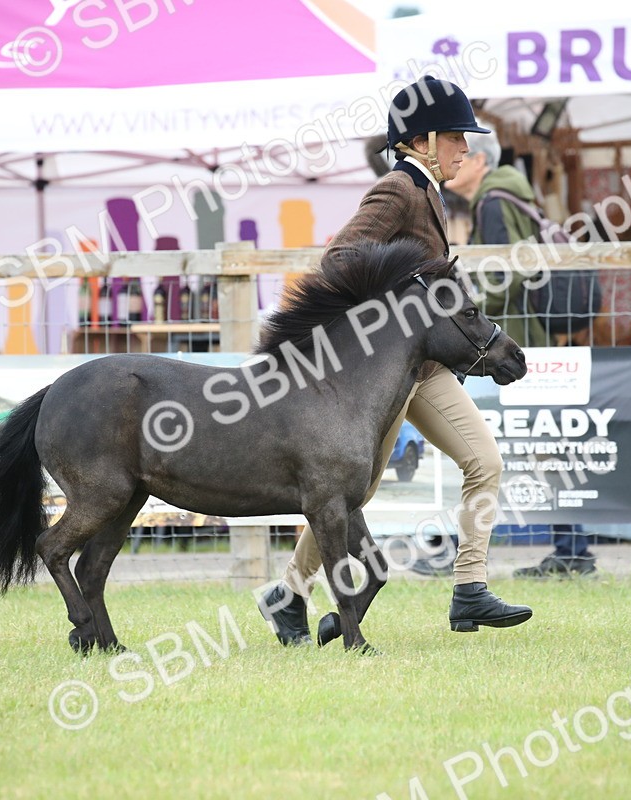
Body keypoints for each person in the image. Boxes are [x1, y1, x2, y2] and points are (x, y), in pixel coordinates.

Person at [257, 76, 533, 645]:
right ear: (423, 139)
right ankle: (290, 594)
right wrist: (405, 295)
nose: (466, 149)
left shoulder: (429, 192)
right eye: (457, 138)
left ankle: (469, 588)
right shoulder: (398, 189)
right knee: (348, 492)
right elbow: (340, 260)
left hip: (425, 373)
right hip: (380, 376)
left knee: (484, 462)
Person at [447, 128, 597, 578]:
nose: (454, 159)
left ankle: (572, 550)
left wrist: (468, 320)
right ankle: (573, 549)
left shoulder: (494, 203)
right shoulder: (505, 196)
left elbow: (508, 273)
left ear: (481, 163)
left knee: (503, 444)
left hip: (509, 341)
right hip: (522, 335)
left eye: (462, 153)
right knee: (540, 443)